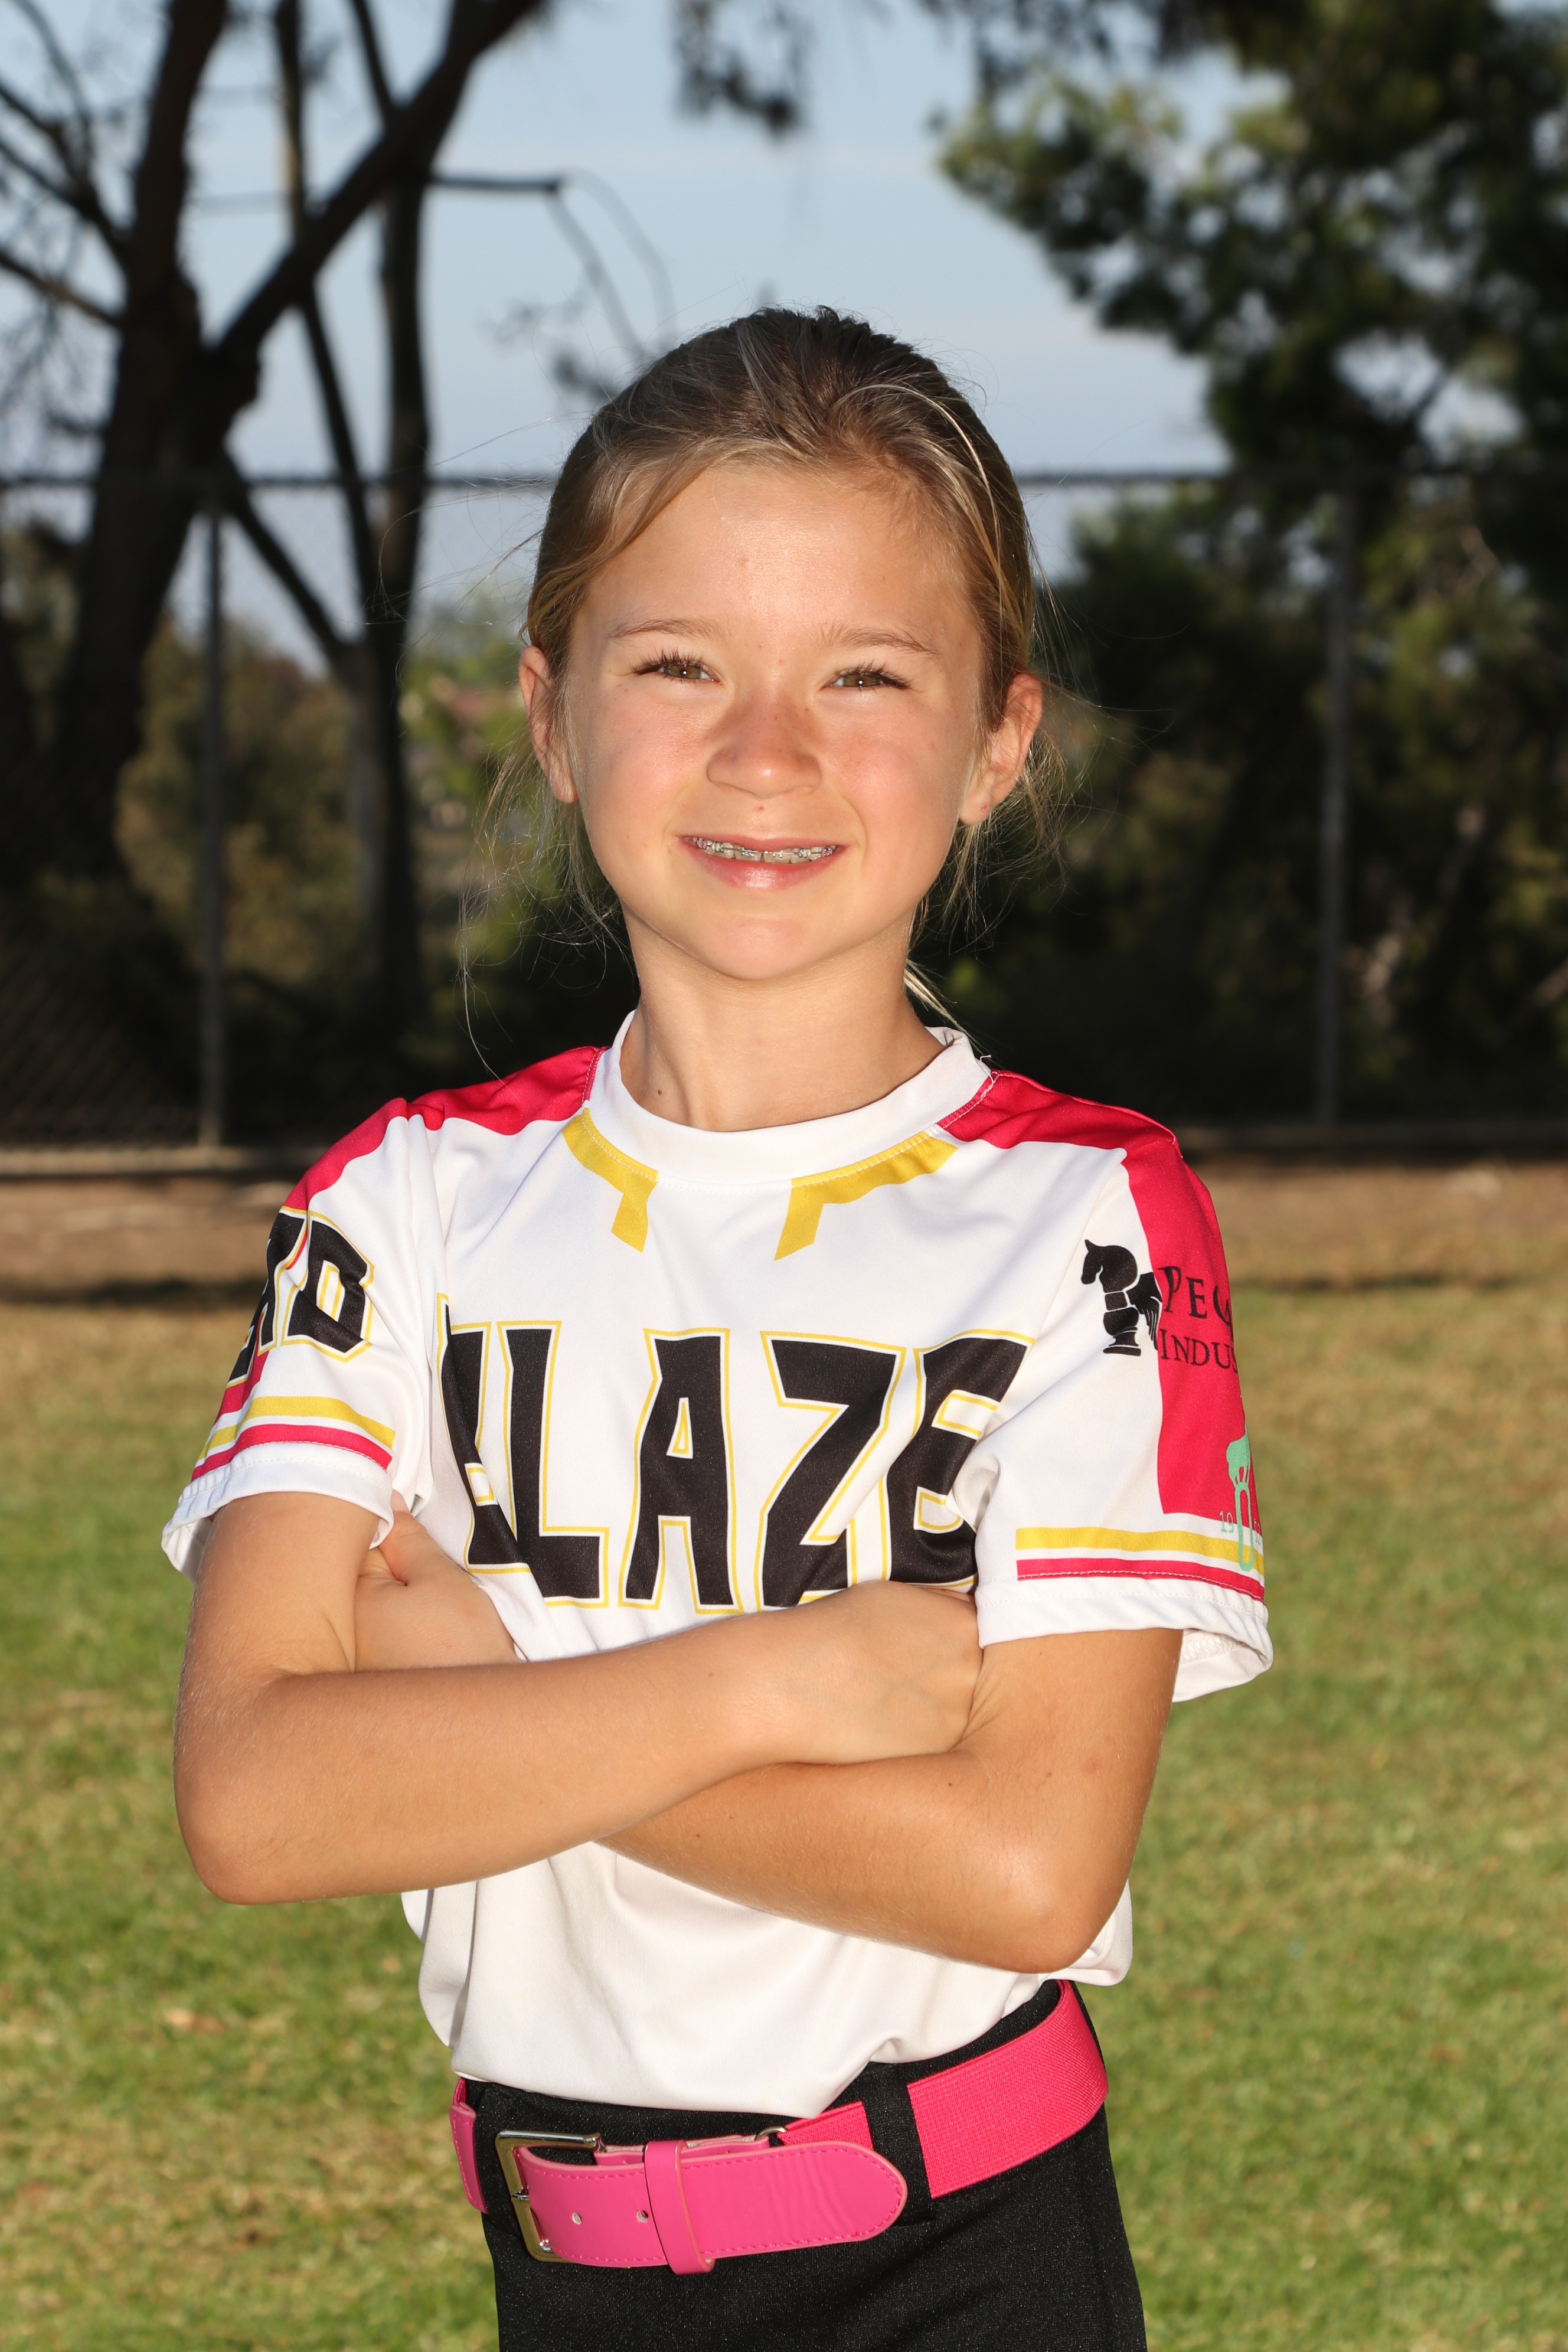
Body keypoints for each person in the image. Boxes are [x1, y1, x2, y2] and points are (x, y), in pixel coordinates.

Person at [166, 308, 1270, 2351]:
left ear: (1000, 739)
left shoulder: (1087, 1213)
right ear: (553, 713)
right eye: (678, 666)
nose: (768, 753)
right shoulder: (401, 1205)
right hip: (564, 2272)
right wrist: (777, 1677)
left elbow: (1024, 1870)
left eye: (867, 675)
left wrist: (488, 1706)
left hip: (966, 2263)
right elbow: (254, 1798)